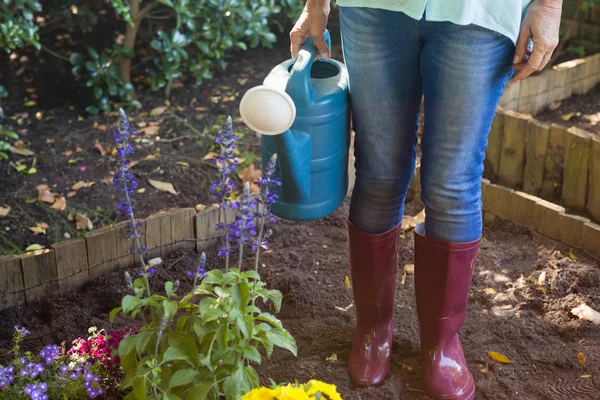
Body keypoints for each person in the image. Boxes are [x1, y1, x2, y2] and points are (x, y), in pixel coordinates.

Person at [289, 1, 563, 399]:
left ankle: (442, 344)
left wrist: (549, 5)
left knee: (452, 183)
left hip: (481, 13)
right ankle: (373, 329)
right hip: (373, 9)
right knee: (378, 171)